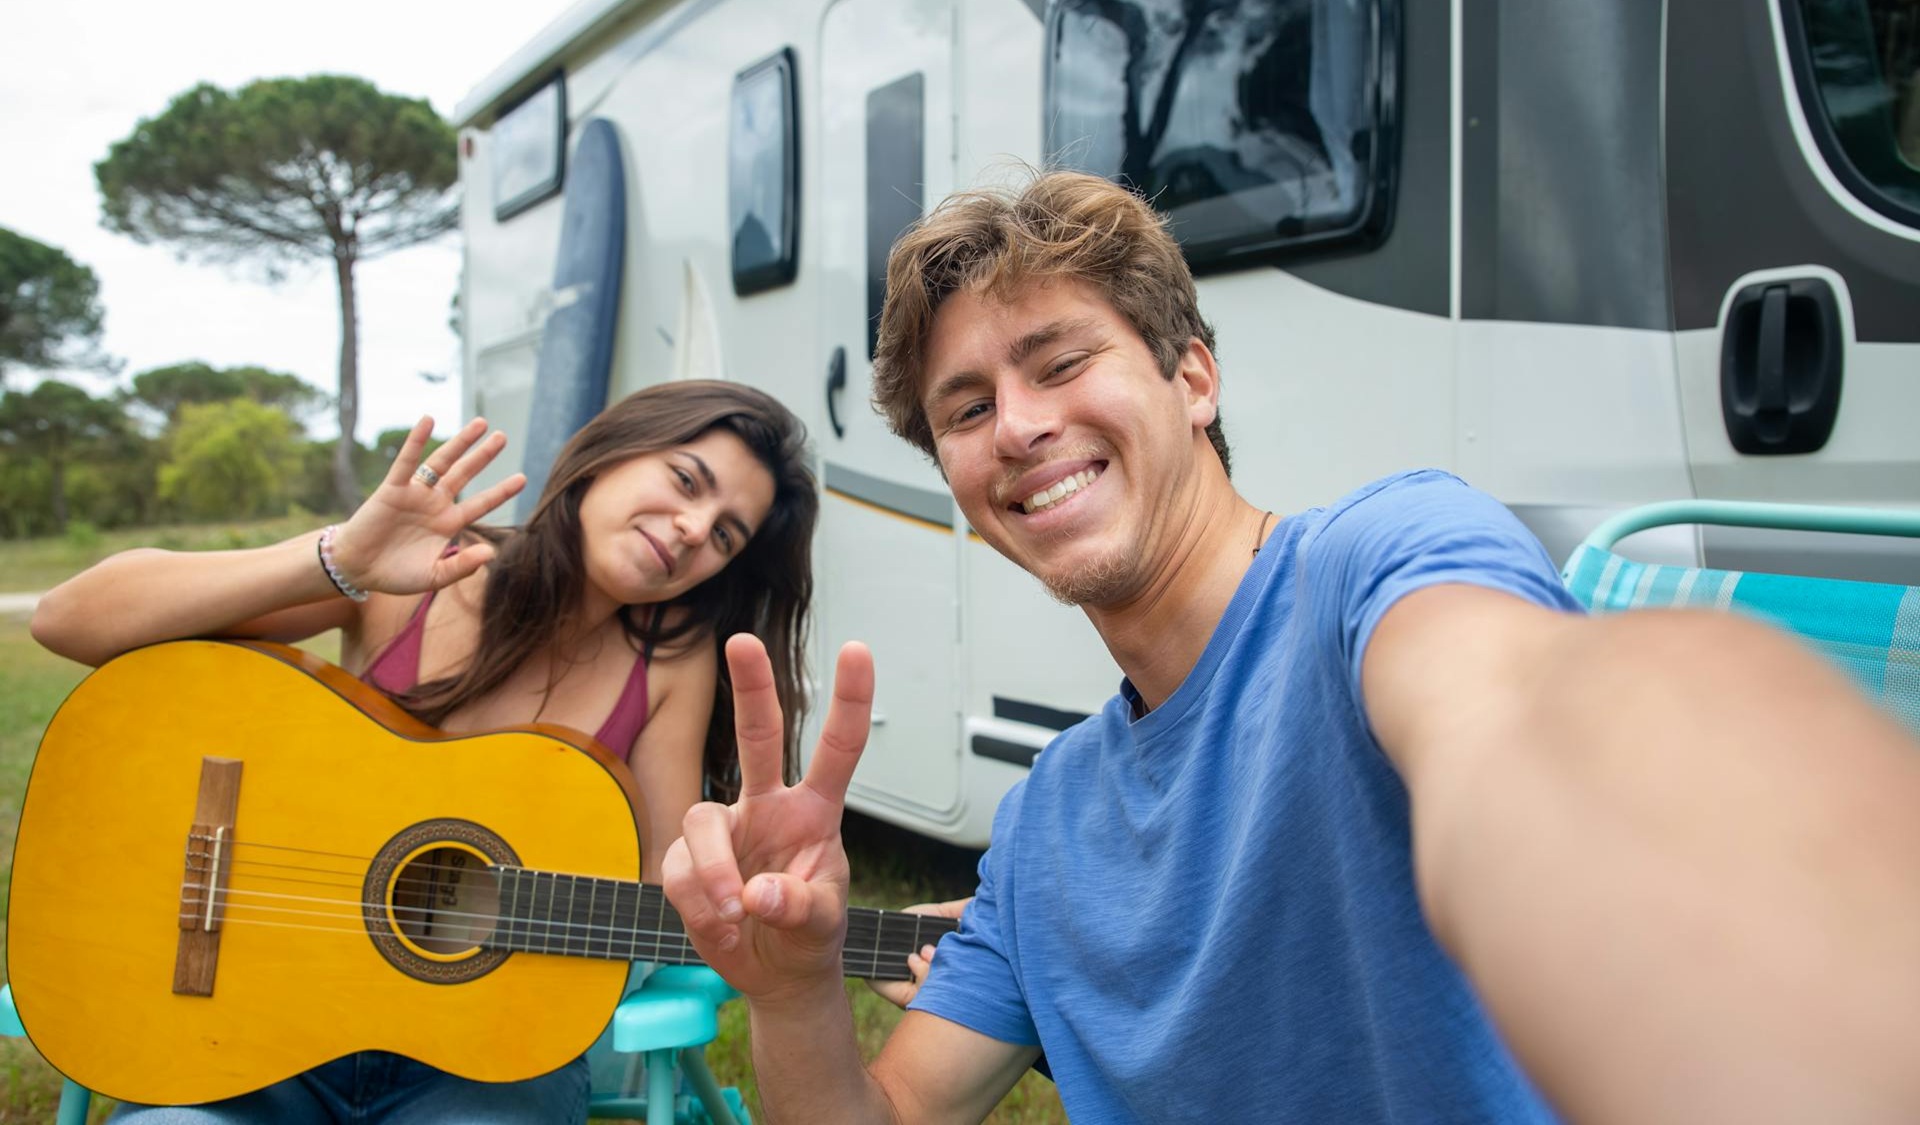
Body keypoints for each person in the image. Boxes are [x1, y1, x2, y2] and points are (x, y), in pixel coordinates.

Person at [662, 172, 1920, 1123]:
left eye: (1063, 362)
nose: (1022, 428)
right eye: (969, 409)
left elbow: (1525, 726)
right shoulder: (1045, 833)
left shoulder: (1377, 563)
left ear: (1194, 378)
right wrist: (789, 995)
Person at [31, 379, 818, 1124]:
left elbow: (661, 873)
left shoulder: (670, 659)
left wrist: (791, 928)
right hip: (255, 1017)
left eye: (723, 533)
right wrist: (341, 558)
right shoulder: (420, 566)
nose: (692, 529)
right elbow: (67, 620)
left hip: (488, 1055)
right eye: (686, 480)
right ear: (609, 451)